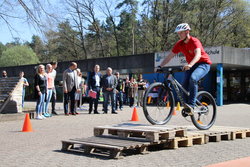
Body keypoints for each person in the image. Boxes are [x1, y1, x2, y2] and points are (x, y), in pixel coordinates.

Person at [159, 23, 212, 113]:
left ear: (187, 32)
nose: (179, 35)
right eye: (178, 33)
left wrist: (190, 65)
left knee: (193, 78)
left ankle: (191, 104)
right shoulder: (179, 44)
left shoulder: (194, 41)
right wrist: (160, 66)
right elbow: (169, 56)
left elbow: (198, 55)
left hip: (203, 64)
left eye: (181, 33)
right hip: (191, 66)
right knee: (184, 85)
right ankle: (187, 106)